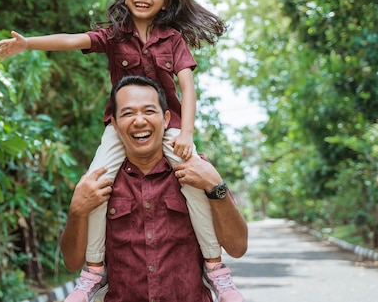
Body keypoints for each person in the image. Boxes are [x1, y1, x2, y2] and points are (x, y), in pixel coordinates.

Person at [0, 0, 242, 302]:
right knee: (95, 183)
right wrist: (28, 44)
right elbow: (70, 40)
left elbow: (187, 88)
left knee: (196, 182)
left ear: (167, 1)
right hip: (119, 124)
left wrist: (186, 133)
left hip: (168, 124)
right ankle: (93, 271)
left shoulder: (172, 39)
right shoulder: (113, 35)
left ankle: (216, 268)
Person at [60, 75, 248, 301]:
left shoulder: (198, 171)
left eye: (149, 111)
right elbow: (72, 261)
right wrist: (77, 210)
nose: (139, 121)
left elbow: (237, 247)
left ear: (167, 119)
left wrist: (216, 186)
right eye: (128, 113)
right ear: (116, 126)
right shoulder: (97, 182)